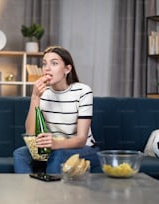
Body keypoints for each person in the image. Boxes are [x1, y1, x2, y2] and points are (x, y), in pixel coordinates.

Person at [13, 46, 99, 174]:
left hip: (84, 148)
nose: (47, 68)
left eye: (54, 63)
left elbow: (81, 139)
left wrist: (54, 145)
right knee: (19, 154)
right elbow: (30, 133)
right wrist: (35, 98)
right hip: (51, 146)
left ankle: (51, 194)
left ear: (67, 69)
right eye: (44, 64)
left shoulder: (82, 91)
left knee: (58, 155)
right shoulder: (43, 93)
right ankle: (28, 192)